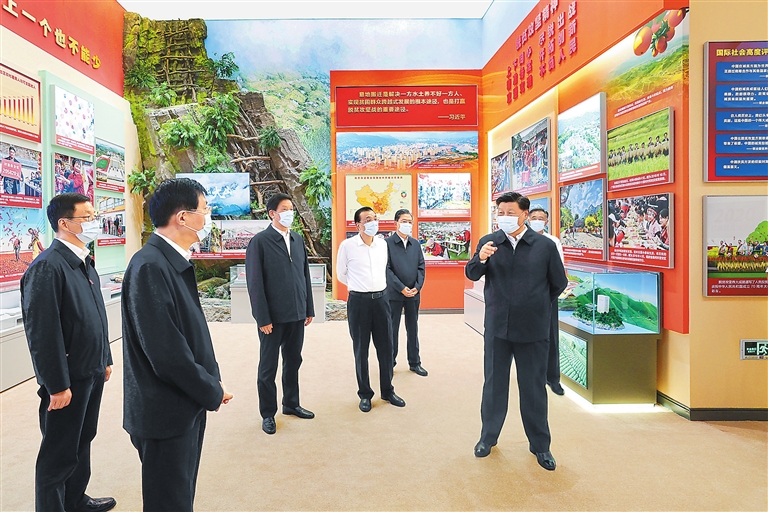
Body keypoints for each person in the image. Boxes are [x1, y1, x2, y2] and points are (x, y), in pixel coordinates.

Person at [122, 178, 233, 511]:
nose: (208, 217)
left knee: (180, 495)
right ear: (183, 217)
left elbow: (187, 335)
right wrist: (210, 389)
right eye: (205, 210)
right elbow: (167, 354)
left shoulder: (169, 261)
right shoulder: (150, 266)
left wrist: (210, 381)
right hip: (165, 410)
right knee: (168, 501)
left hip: (184, 402)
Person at [20, 193, 116, 512]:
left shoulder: (84, 261)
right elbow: (43, 333)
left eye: (94, 215)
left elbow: (95, 316)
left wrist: (105, 358)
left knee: (83, 438)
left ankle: (75, 500)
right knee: (58, 452)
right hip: (67, 379)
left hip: (91, 369)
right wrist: (56, 384)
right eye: (87, 217)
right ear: (64, 223)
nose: (94, 222)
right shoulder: (47, 267)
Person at [465, 192, 567, 471]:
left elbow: (558, 283)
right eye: (501, 212)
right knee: (494, 385)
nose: (504, 217)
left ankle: (540, 445)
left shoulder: (544, 246)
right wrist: (480, 259)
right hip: (497, 327)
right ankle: (488, 438)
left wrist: (534, 305)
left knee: (533, 388)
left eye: (510, 213)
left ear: (524, 214)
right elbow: (472, 273)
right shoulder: (490, 242)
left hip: (533, 329)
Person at [245, 193, 315, 435]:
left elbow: (305, 275)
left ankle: (291, 403)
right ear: (272, 213)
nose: (289, 213)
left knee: (293, 361)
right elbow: (254, 283)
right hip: (272, 319)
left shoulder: (297, 239)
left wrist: (308, 308)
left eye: (291, 208)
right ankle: (267, 413)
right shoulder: (260, 242)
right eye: (284, 209)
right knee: (268, 367)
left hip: (296, 314)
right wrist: (262, 318)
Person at [337, 206, 405, 412]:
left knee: (386, 347)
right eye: (367, 219)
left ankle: (388, 390)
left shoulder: (382, 245)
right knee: (361, 349)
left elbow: (384, 269)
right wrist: (359, 286)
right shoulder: (348, 246)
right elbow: (341, 274)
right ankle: (365, 394)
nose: (373, 222)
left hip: (382, 300)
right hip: (359, 302)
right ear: (357, 224)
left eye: (375, 218)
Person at [528, 207, 566, 396]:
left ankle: (553, 379)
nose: (537, 220)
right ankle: (532, 376)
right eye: (533, 217)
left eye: (540, 218)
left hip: (547, 296)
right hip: (524, 297)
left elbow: (559, 272)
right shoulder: (520, 240)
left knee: (550, 337)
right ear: (527, 219)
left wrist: (549, 295)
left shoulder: (553, 242)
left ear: (546, 222)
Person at [386, 209, 427, 376]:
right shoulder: (387, 244)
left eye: (410, 222)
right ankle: (389, 363)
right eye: (404, 221)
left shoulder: (415, 244)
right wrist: (401, 288)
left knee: (413, 328)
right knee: (392, 329)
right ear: (396, 223)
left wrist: (417, 287)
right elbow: (386, 269)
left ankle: (415, 363)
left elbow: (421, 267)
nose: (407, 225)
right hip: (394, 294)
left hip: (413, 294)